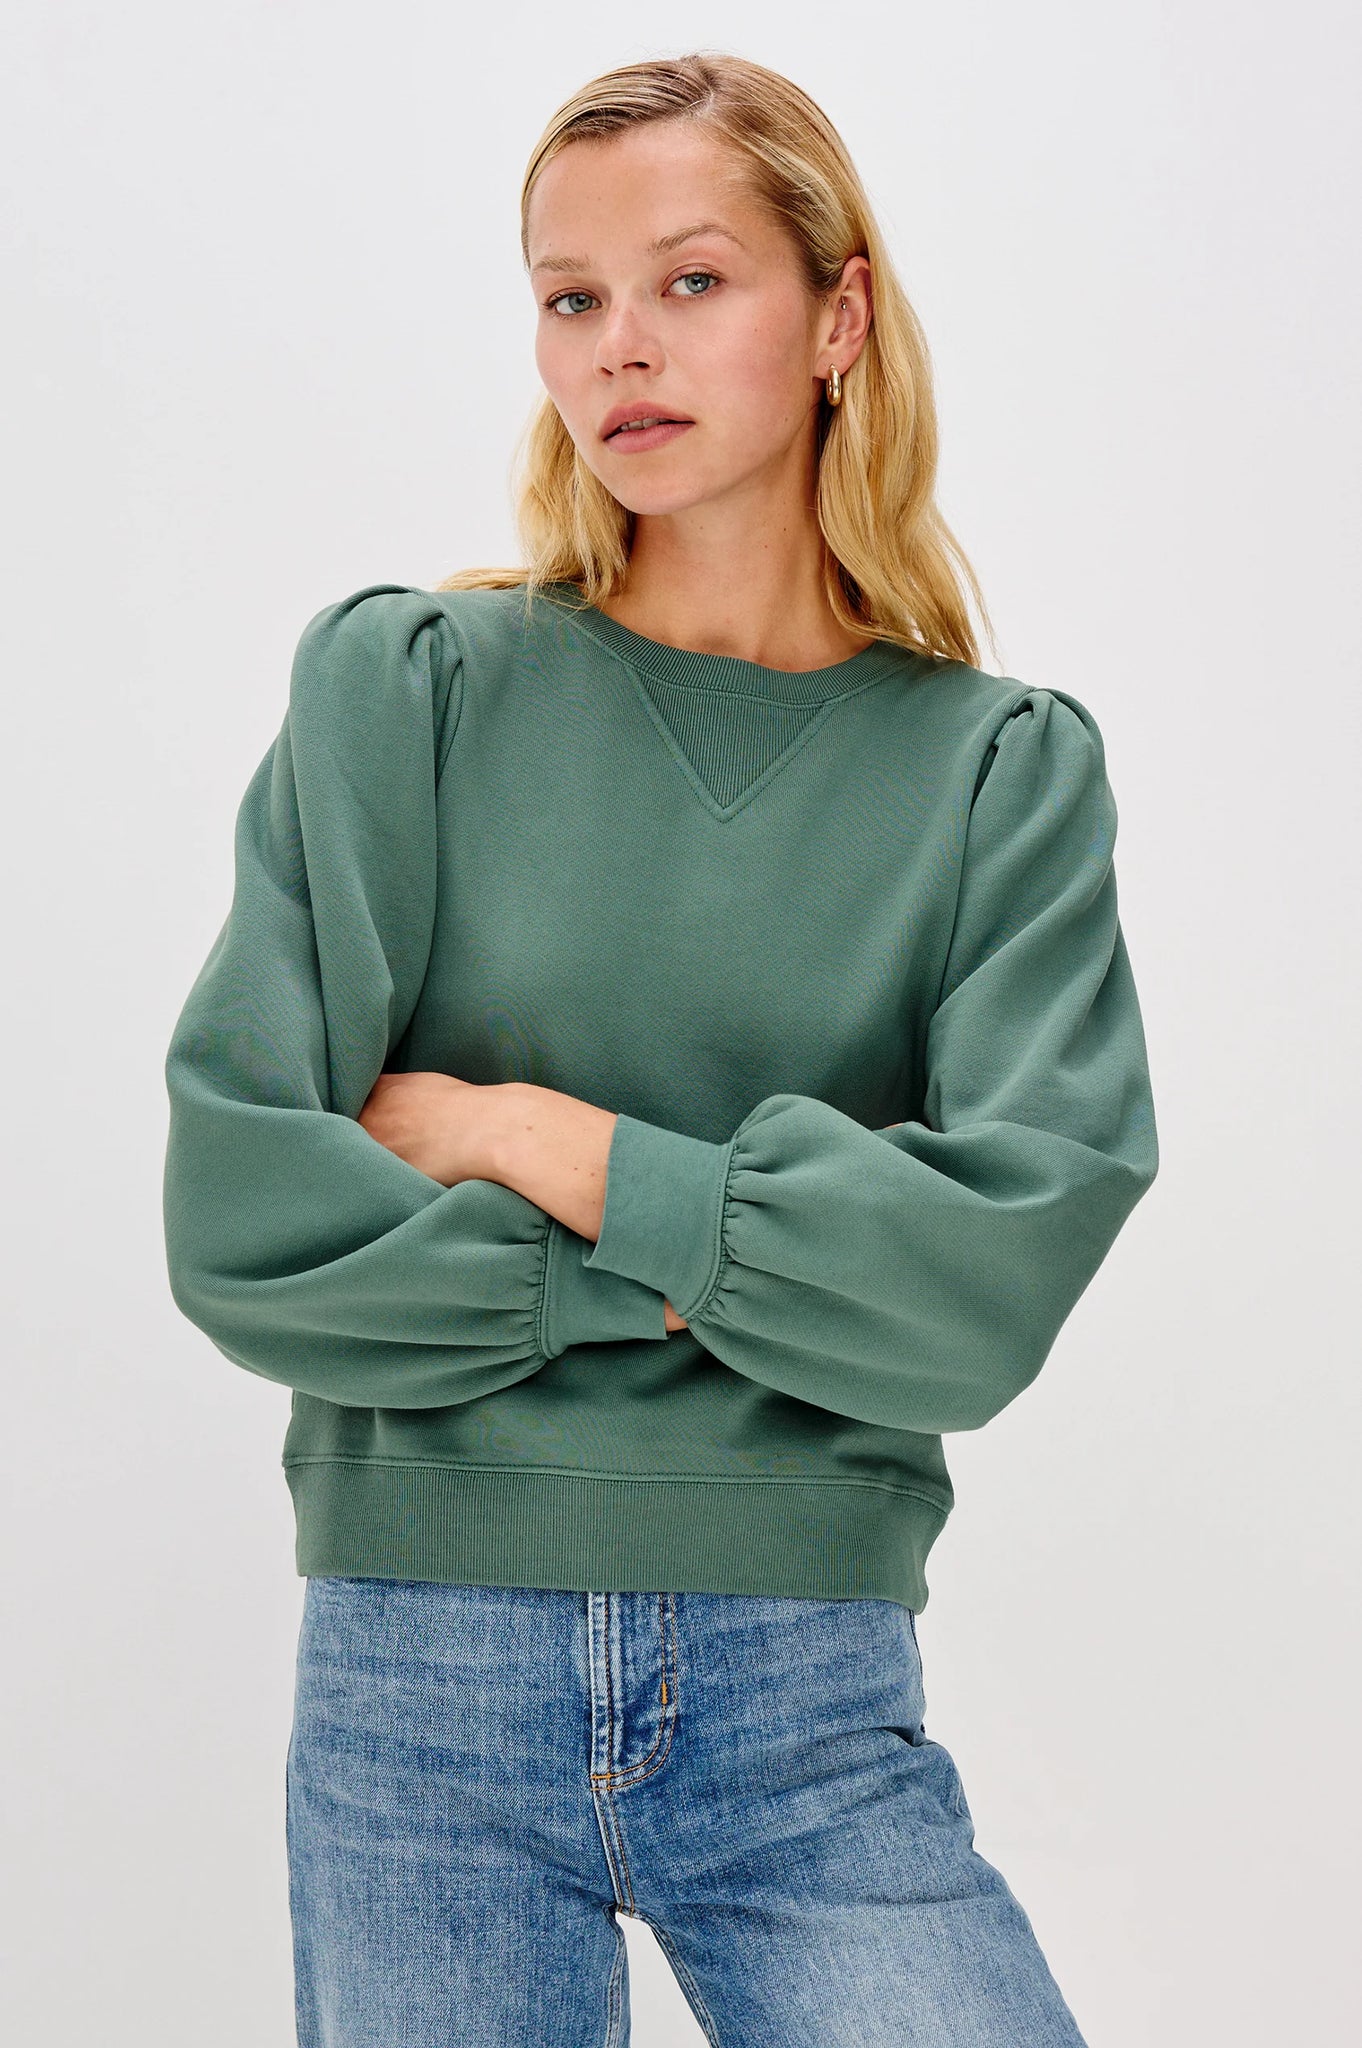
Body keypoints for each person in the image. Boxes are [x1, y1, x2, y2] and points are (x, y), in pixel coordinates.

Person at [162, 48, 1158, 2048]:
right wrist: (747, 1271)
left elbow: (983, 1295)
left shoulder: (996, 773)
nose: (619, 344)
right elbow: (250, 1220)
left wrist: (541, 1139)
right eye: (571, 295)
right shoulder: (408, 692)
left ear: (839, 315)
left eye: (691, 280)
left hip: (807, 1692)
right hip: (417, 1685)